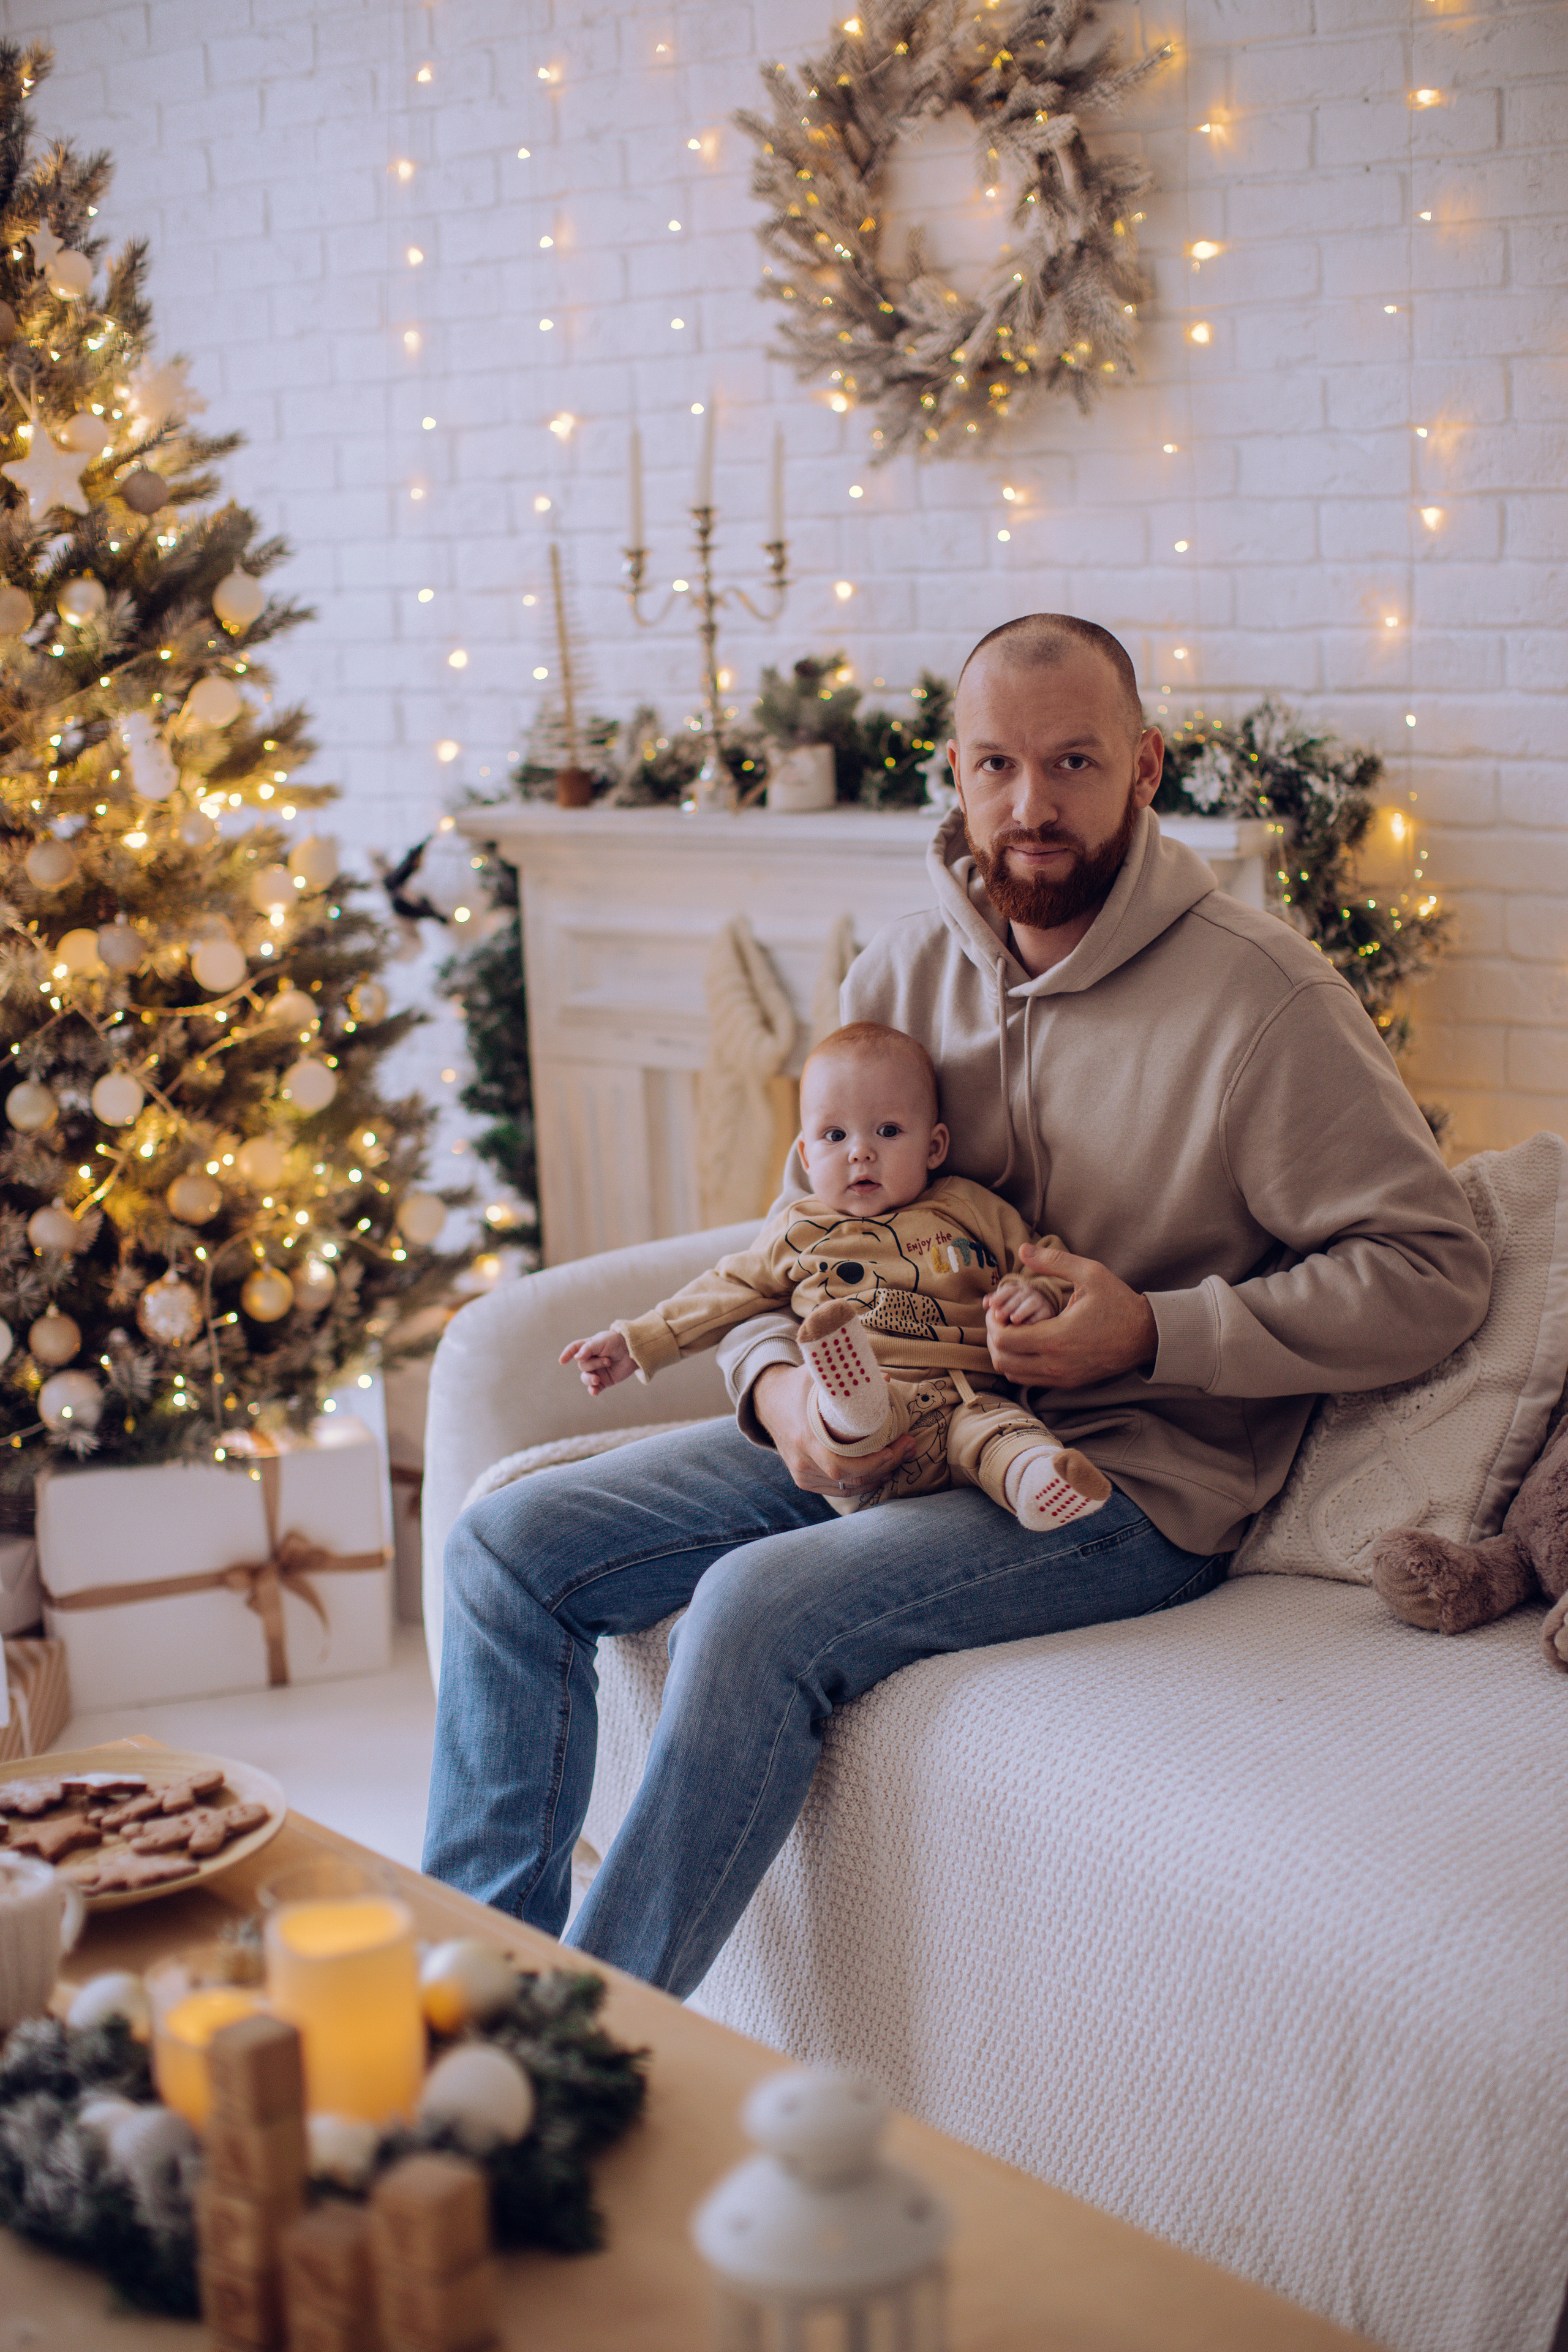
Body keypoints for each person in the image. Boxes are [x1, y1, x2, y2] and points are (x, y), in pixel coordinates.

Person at [423, 612, 1491, 2002]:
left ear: (1145, 767)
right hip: (885, 1423)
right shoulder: (898, 975)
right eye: (996, 764)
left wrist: (1154, 1329)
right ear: (954, 770)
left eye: (1072, 762)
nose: (1030, 804)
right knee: (506, 1544)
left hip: (1118, 1480)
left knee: (751, 1606)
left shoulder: (1264, 1000)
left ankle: (573, 2048)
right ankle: (467, 2004)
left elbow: (1428, 1268)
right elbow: (787, 1242)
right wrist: (779, 1393)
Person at [559, 1020, 1111, 1532]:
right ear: (805, 1154)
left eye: (888, 1131)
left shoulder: (967, 1207)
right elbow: (729, 1290)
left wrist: (1035, 1294)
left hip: (971, 1398)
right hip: (866, 1433)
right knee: (850, 1414)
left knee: (1005, 1437)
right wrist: (637, 1341)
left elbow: (1044, 1260)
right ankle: (851, 1402)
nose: (861, 1152)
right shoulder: (800, 1231)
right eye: (834, 1135)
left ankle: (1037, 1483)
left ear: (934, 1146)